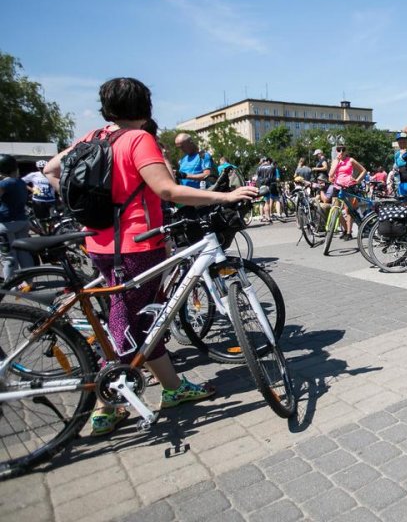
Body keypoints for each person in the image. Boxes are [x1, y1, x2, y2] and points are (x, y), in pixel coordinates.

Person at [43, 77, 257, 436]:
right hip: (138, 245)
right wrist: (226, 196)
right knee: (124, 323)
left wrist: (87, 210)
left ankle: (173, 388)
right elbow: (167, 190)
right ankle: (106, 403)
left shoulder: (91, 138)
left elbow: (51, 170)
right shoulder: (137, 139)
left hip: (98, 244)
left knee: (145, 320)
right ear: (145, 107)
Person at [0, 155, 35, 280]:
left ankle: (10, 285)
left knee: (9, 256)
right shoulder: (20, 182)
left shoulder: (5, 183)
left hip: (6, 223)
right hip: (22, 221)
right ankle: (29, 281)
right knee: (24, 253)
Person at [328, 144, 367, 239]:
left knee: (349, 210)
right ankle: (345, 229)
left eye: (343, 149)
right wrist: (337, 161)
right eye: (339, 149)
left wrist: (357, 180)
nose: (341, 151)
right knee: (335, 210)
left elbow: (363, 170)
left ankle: (349, 232)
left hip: (349, 186)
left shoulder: (350, 160)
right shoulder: (335, 161)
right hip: (337, 187)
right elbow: (331, 174)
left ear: (346, 151)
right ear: (336, 151)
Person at [255, 157, 277, 223]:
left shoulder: (259, 168)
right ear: (267, 161)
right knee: (267, 202)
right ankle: (268, 217)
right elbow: (273, 178)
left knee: (262, 202)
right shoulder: (271, 167)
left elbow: (257, 178)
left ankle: (263, 216)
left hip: (261, 186)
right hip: (268, 186)